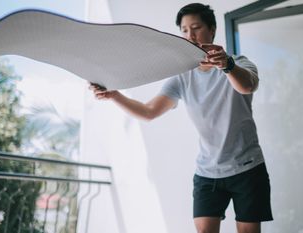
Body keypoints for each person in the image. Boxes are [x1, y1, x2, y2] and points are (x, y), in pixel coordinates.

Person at [89, 3, 272, 233]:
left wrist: (227, 65)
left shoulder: (239, 62)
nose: (190, 35)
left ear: (212, 30)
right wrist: (114, 95)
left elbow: (247, 85)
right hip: (208, 171)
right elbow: (149, 111)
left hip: (247, 167)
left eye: (196, 27)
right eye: (184, 30)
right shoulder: (183, 78)